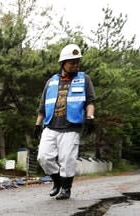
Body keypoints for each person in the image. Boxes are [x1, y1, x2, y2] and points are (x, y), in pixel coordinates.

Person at [34, 44, 96, 200]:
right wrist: (37, 124)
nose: (76, 65)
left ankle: (66, 189)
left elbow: (90, 101)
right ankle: (57, 182)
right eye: (72, 62)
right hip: (50, 126)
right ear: (63, 63)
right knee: (43, 157)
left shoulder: (84, 79)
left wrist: (90, 117)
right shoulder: (51, 81)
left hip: (70, 127)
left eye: (77, 62)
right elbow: (43, 106)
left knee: (67, 160)